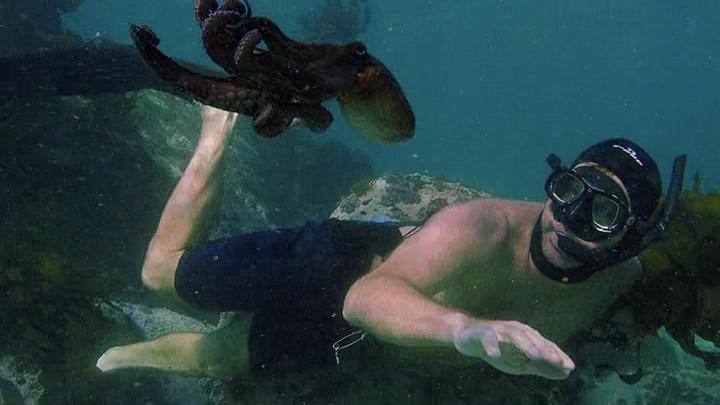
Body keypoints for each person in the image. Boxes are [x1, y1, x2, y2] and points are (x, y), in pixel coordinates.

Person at [96, 105, 686, 382]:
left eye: (602, 212)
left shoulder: (626, 277)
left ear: (631, 235)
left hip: (380, 334)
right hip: (353, 266)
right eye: (569, 190)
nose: (568, 218)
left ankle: (140, 352)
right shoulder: (481, 228)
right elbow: (364, 297)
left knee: (220, 360)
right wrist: (467, 331)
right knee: (160, 274)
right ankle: (215, 131)